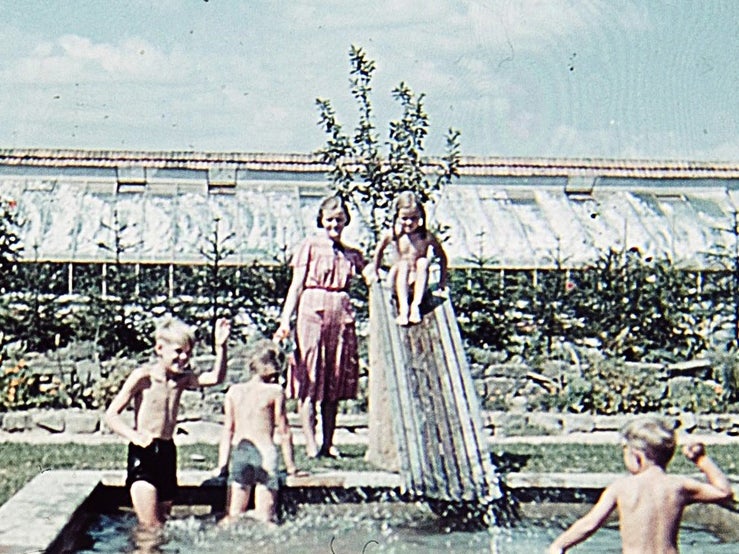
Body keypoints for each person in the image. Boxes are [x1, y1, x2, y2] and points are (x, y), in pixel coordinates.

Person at [104, 316, 231, 530]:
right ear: (159, 348)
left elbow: (215, 379)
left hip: (166, 453)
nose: (184, 358)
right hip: (143, 452)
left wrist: (222, 347)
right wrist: (135, 436)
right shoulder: (143, 378)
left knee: (162, 524)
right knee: (150, 527)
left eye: (188, 353)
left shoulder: (181, 379)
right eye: (178, 352)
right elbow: (111, 415)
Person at [548, 416, 733, 554]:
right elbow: (723, 492)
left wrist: (559, 545)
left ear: (637, 456)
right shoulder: (678, 486)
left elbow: (589, 524)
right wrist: (702, 460)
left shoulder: (621, 488)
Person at [273, 195, 367, 458]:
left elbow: (373, 274)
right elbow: (297, 285)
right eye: (329, 220)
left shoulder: (352, 254)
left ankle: (328, 441)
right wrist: (284, 321)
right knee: (310, 375)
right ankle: (310, 441)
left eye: (339, 220)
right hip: (312, 310)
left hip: (341, 314)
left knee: (334, 378)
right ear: (321, 220)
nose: (334, 225)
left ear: (346, 221)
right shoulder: (310, 246)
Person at [213, 339, 305, 525]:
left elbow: (227, 431)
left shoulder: (233, 391)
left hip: (240, 454)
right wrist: (291, 467)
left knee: (233, 515)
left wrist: (222, 465)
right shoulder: (275, 391)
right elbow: (284, 430)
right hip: (265, 454)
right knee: (266, 518)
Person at [371, 190, 448, 325]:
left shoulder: (426, 237)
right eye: (405, 218)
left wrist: (442, 281)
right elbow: (378, 252)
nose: (409, 222)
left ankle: (415, 306)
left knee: (423, 262)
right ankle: (404, 309)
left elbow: (442, 256)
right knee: (403, 264)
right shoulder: (394, 235)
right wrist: (376, 272)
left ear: (421, 217)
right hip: (398, 282)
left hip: (417, 284)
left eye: (414, 218)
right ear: (397, 217)